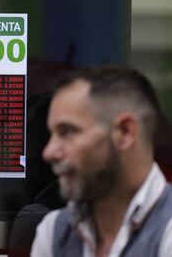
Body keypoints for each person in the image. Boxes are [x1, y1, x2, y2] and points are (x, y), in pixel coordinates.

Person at [31, 65, 172, 257]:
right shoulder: (53, 230)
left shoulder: (167, 228)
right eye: (52, 135)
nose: (49, 152)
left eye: (68, 132)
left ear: (125, 132)